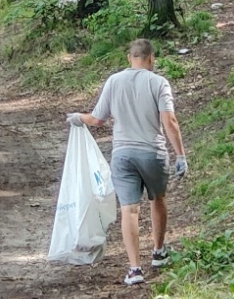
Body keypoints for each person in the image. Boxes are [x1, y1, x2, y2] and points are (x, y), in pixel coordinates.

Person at [68, 38, 188, 286]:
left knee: (129, 210)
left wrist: (78, 117)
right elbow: (169, 121)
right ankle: (158, 251)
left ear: (129, 58)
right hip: (153, 153)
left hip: (122, 155)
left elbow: (97, 119)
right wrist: (181, 155)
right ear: (151, 58)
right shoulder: (159, 83)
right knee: (158, 199)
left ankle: (134, 269)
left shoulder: (114, 81)